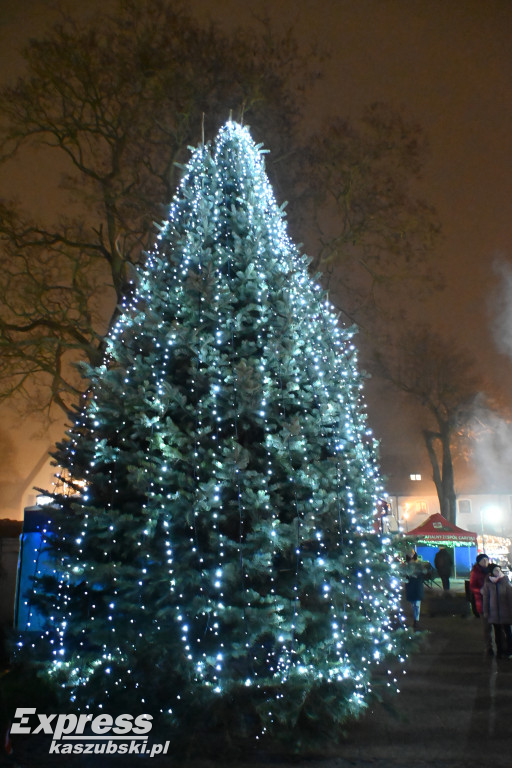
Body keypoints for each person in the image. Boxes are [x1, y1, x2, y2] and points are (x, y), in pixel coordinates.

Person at [482, 563, 512, 658]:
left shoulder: (506, 583)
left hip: (506, 613)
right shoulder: (488, 585)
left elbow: (510, 599)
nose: (498, 572)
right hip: (494, 614)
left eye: (499, 570)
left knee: (508, 632)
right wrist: (486, 612)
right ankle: (500, 651)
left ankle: (509, 651)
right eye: (495, 570)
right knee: (497, 634)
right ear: (491, 572)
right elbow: (486, 600)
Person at [469, 553, 493, 655]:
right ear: (478, 562)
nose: (485, 562)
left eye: (486, 560)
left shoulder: (491, 570)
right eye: (483, 560)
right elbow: (472, 587)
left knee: (498, 626)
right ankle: (489, 647)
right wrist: (481, 590)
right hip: (482, 603)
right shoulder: (475, 572)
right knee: (486, 627)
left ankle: (502, 646)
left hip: (493, 603)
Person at [403, 550, 431, 630]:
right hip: (417, 586)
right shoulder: (418, 565)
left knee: (413, 604)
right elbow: (425, 572)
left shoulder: (406, 566)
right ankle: (416, 620)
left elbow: (403, 575)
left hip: (410, 586)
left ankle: (415, 619)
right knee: (417, 604)